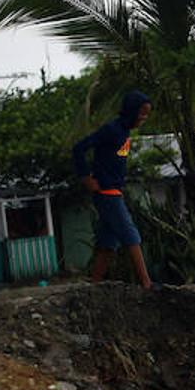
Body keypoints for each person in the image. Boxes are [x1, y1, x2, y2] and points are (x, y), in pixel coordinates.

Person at [73, 91, 156, 289]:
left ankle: (94, 283)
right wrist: (86, 177)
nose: (144, 118)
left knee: (108, 241)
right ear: (132, 111)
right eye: (142, 113)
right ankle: (146, 283)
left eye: (147, 115)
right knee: (131, 235)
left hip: (114, 190)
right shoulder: (112, 130)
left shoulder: (124, 132)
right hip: (106, 192)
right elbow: (79, 148)